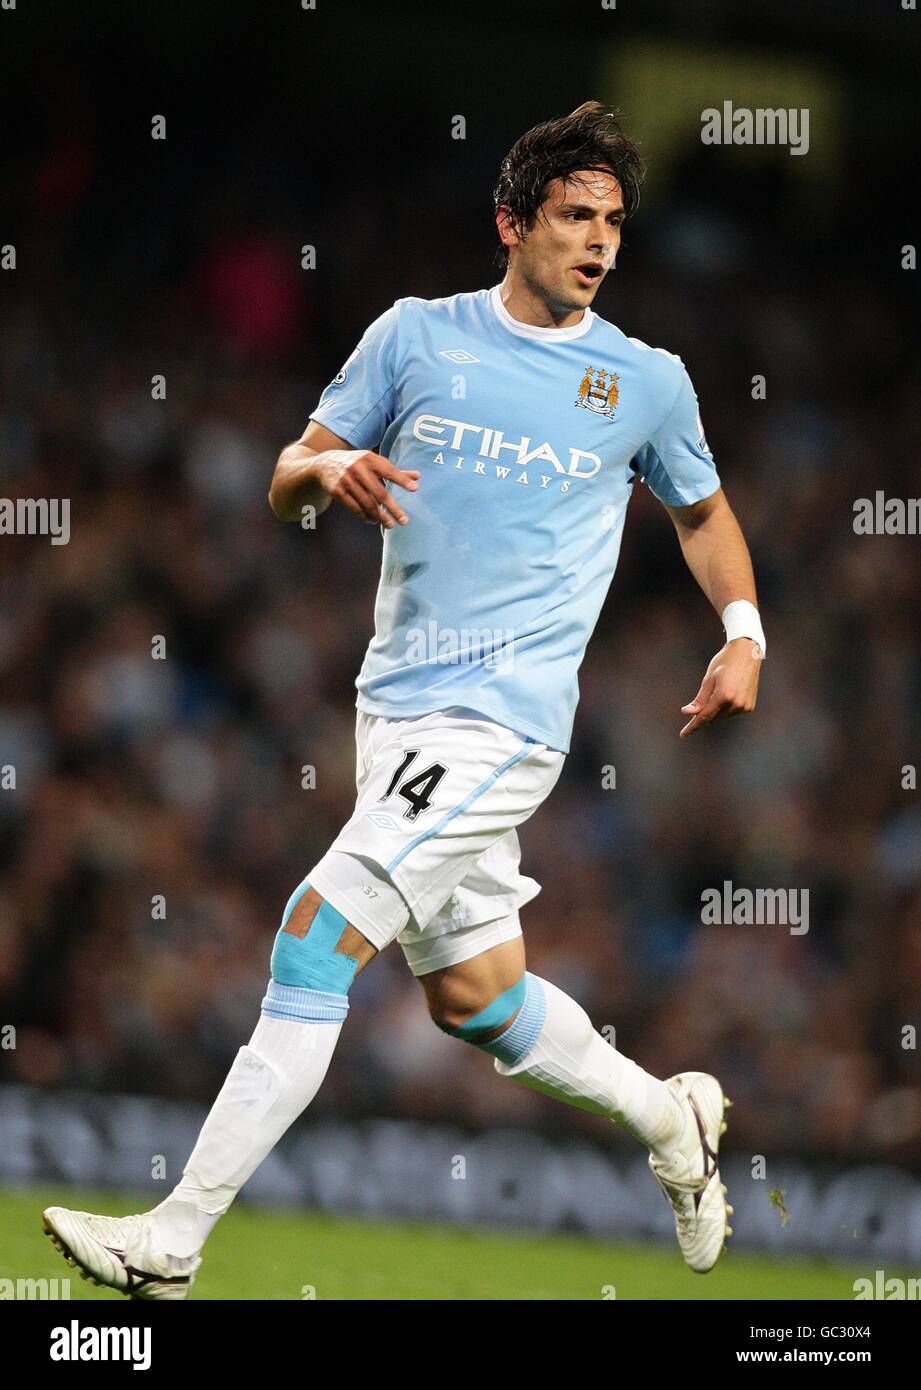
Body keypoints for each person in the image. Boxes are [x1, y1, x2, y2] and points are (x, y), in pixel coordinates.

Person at [43, 101, 763, 1298]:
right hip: (397, 713)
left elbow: (703, 516)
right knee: (476, 1001)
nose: (597, 242)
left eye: (614, 223)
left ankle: (171, 1238)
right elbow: (287, 477)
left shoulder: (645, 381)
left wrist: (741, 633)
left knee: (317, 933)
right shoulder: (415, 338)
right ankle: (667, 1115)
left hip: (505, 720)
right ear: (511, 222)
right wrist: (324, 469)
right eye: (574, 217)